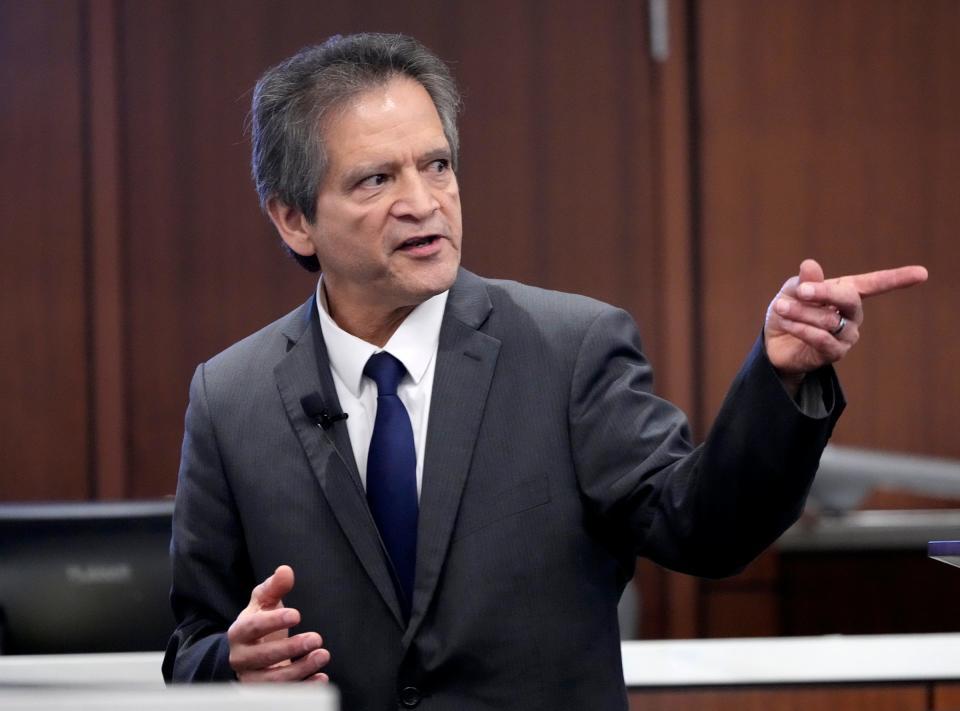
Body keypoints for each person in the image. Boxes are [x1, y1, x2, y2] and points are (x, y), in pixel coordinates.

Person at [162, 33, 927, 710]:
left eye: (437, 164)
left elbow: (705, 529)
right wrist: (230, 663)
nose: (424, 202)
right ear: (293, 217)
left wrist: (782, 377)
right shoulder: (229, 399)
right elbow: (190, 641)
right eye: (376, 180)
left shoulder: (569, 349)